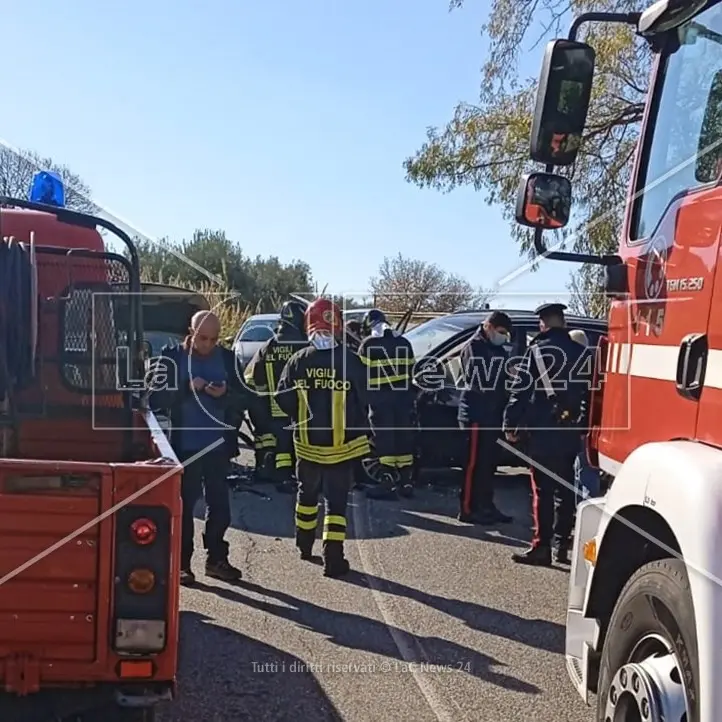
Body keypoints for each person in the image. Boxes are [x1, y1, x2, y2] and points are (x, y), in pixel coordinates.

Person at [275, 298, 370, 577]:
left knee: (307, 496)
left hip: (307, 448)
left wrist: (300, 416)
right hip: (342, 449)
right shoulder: (352, 361)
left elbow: (282, 398)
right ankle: (333, 557)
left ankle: (304, 545)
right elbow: (366, 398)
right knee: (336, 503)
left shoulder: (298, 360)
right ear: (338, 325)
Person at [149, 311, 244, 586]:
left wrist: (225, 393)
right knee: (185, 506)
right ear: (190, 332)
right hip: (183, 447)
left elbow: (246, 399)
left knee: (220, 507)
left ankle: (216, 560)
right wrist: (188, 387)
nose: (208, 345)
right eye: (203, 338)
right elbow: (155, 397)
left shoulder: (226, 359)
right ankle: (181, 564)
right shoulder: (172, 357)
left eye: (213, 339)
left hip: (217, 446)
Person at [503, 303, 587, 566]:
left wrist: (510, 423)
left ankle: (542, 548)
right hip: (571, 430)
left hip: (542, 431)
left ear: (543, 323)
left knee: (542, 491)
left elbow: (520, 391)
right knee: (565, 488)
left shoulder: (537, 350)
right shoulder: (581, 352)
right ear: (562, 322)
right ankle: (562, 546)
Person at [243, 300, 308, 494]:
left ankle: (281, 476)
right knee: (300, 445)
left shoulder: (267, 347)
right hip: (303, 410)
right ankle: (302, 478)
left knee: (282, 446)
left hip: (274, 410)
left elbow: (250, 379)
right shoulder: (305, 346)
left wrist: (262, 399)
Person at [457, 310, 514, 525]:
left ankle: (486, 505)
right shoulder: (475, 347)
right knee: (473, 465)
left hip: (493, 414)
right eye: (500, 332)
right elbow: (479, 381)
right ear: (488, 327)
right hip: (476, 413)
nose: (502, 336)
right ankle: (468, 509)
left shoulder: (497, 348)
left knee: (488, 465)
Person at [357, 309, 416, 499]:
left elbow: (358, 375)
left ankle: (387, 483)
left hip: (380, 402)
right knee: (403, 439)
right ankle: (406, 482)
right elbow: (412, 370)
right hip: (404, 400)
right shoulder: (404, 343)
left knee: (384, 441)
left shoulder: (369, 344)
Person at [568, 329, 601, 504]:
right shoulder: (593, 364)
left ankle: (585, 508)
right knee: (581, 468)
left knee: (585, 470)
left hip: (584, 427)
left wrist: (580, 427)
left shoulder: (580, 366)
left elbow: (584, 400)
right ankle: (581, 508)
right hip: (589, 425)